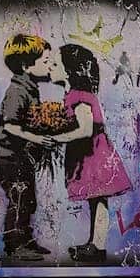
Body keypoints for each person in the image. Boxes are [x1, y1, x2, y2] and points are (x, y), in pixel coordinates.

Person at [49, 43, 133, 263]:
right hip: (93, 153)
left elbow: (85, 130)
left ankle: (98, 246)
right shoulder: (76, 93)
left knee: (98, 200)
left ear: (69, 71)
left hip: (92, 156)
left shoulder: (79, 95)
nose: (50, 67)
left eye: (55, 64)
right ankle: (96, 244)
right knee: (97, 200)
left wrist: (57, 137)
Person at [0, 33, 57, 262]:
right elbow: (11, 126)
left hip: (21, 159)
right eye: (45, 61)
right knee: (19, 201)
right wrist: (37, 139)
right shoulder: (17, 91)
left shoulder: (30, 88)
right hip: (11, 160)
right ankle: (14, 245)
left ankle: (26, 240)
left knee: (28, 200)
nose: (49, 65)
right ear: (25, 65)